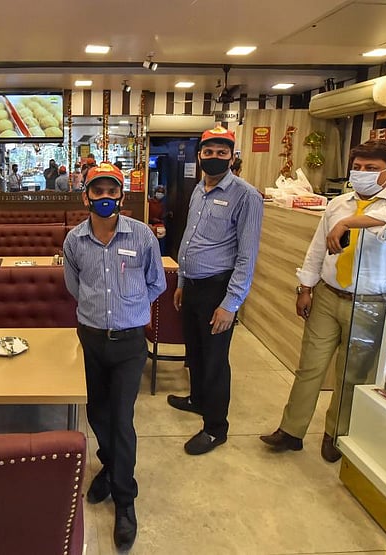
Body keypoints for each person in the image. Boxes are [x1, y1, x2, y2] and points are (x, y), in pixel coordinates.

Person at [260, 139, 386, 462]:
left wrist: (350, 222)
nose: (361, 173)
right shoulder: (338, 203)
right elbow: (317, 249)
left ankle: (335, 433)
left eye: (371, 168)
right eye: (358, 167)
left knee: (352, 374)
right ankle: (291, 430)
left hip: (370, 303)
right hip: (328, 294)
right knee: (309, 367)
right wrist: (305, 288)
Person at [63, 162, 165, 550]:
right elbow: (74, 286)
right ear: (85, 196)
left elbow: (156, 282)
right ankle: (109, 465)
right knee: (97, 413)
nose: (104, 197)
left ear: (122, 196)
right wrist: (98, 312)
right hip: (90, 339)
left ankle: (125, 499)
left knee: (121, 418)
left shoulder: (142, 236)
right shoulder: (74, 241)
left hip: (128, 344)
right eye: (97, 191)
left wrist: (130, 308)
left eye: (111, 191)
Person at [168, 126, 263, 456]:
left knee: (215, 361)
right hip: (192, 286)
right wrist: (182, 282)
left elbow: (247, 256)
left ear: (232, 157)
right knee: (194, 351)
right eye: (208, 152)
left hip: (217, 289)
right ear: (199, 156)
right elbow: (189, 239)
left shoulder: (246, 196)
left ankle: (215, 428)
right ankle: (197, 399)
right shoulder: (199, 189)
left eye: (222, 152)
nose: (214, 157)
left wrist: (230, 304)